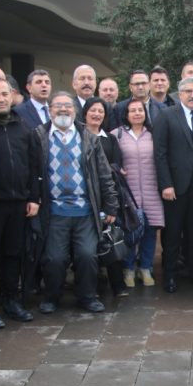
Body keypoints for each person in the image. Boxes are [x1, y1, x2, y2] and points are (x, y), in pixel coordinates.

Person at [34, 93, 118, 314]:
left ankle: (88, 297)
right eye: (58, 106)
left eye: (67, 106)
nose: (63, 110)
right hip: (54, 211)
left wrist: (110, 205)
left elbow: (104, 173)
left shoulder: (88, 137)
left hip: (85, 210)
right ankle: (51, 297)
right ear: (50, 110)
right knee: (54, 258)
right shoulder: (39, 136)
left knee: (87, 256)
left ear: (75, 110)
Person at [0, 77, 41, 328]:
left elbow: (34, 164)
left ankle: (11, 300)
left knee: (14, 254)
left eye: (5, 94)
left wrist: (33, 197)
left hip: (19, 202)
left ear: (12, 95)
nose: (2, 99)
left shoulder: (22, 126)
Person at [153, 77, 193, 292]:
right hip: (176, 187)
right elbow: (160, 153)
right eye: (188, 91)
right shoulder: (167, 116)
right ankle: (170, 275)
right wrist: (166, 184)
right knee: (173, 233)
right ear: (179, 94)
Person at [114, 98, 164, 287]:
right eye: (132, 110)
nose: (137, 113)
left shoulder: (154, 135)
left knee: (150, 233)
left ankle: (145, 268)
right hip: (129, 193)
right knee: (130, 232)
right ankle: (128, 269)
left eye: (140, 110)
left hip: (152, 191)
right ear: (126, 115)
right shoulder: (117, 134)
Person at [83, 97, 129, 297]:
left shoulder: (110, 138)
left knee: (111, 239)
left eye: (100, 111)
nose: (96, 114)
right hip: (86, 198)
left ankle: (117, 285)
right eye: (93, 110)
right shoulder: (79, 136)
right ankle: (91, 286)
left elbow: (118, 167)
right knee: (87, 244)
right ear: (85, 113)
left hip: (108, 196)